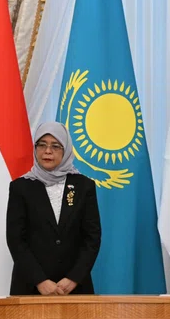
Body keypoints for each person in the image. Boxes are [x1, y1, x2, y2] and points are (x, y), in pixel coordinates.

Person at [6, 122, 102, 295]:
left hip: (74, 287)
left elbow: (92, 238)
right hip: (31, 287)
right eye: (42, 145)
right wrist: (40, 281)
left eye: (55, 146)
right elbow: (16, 239)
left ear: (66, 150)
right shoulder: (21, 187)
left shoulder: (84, 186)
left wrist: (73, 278)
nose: (47, 151)